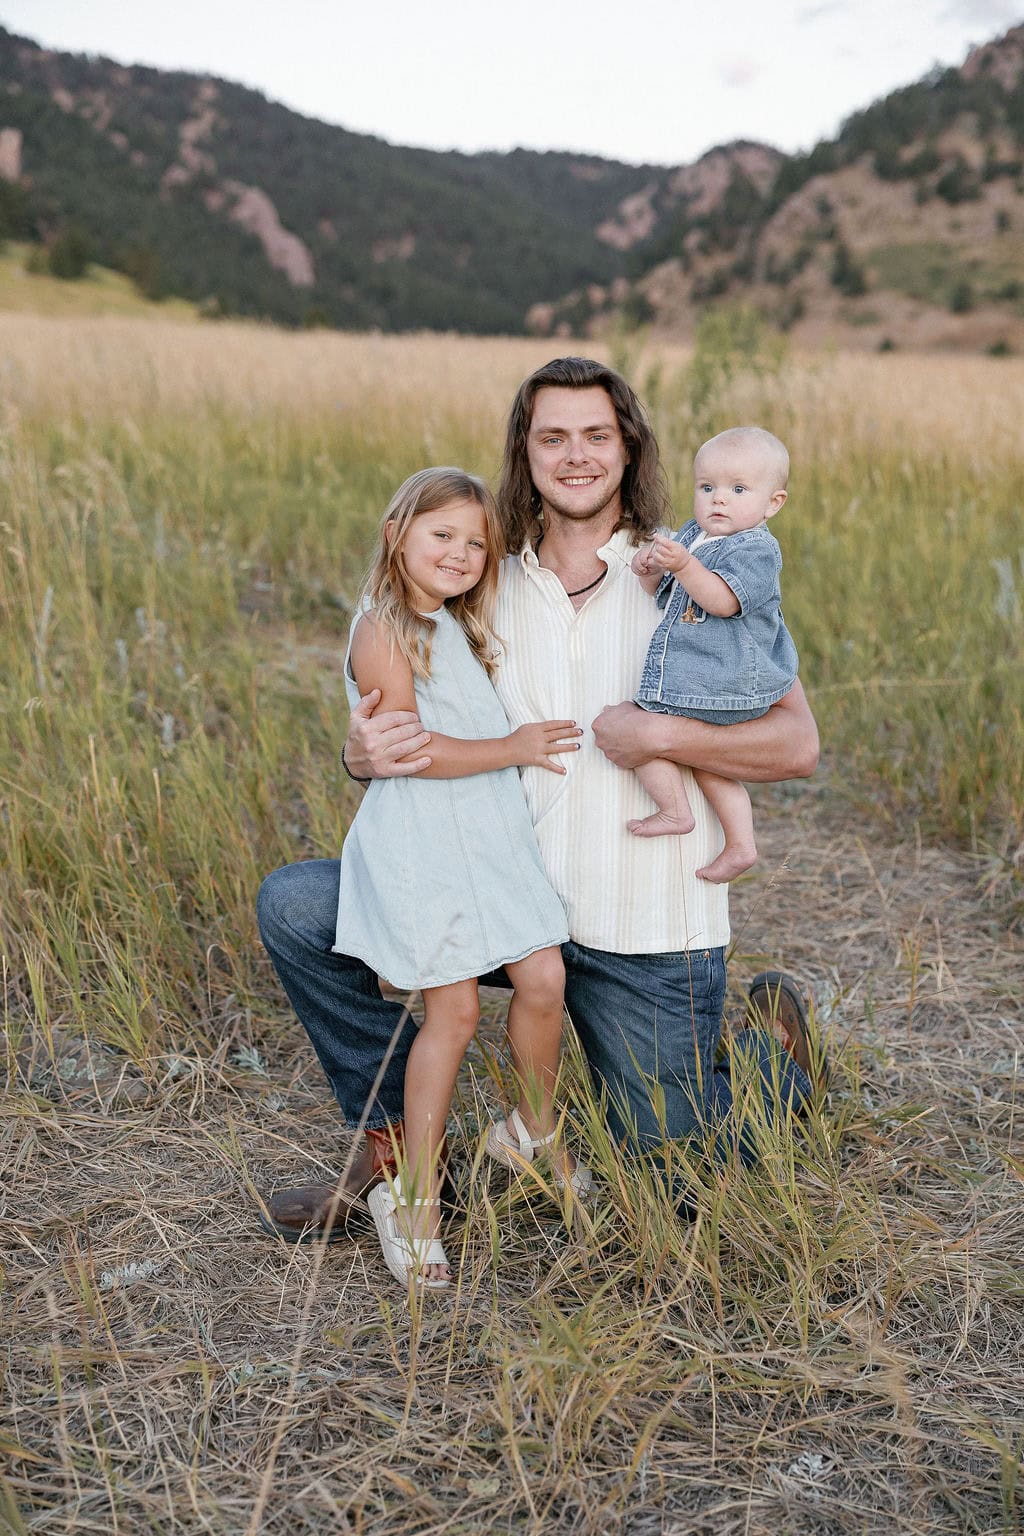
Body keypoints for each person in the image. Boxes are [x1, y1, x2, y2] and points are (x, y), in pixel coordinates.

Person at [257, 356, 823, 1244]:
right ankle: (405, 1148)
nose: (576, 455)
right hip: (502, 900)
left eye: (597, 435)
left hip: (645, 926)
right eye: (552, 436)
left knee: (678, 1181)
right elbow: (410, 707)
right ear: (525, 450)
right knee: (297, 905)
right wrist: (362, 753)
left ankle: (772, 1057)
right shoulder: (481, 577)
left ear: (629, 447)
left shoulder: (688, 575)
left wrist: (664, 735)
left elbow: (797, 744)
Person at [334, 465, 588, 1288]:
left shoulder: (457, 626)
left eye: (476, 543)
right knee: (454, 1010)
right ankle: (415, 1202)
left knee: (544, 977)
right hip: (425, 843)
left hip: (490, 837)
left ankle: (530, 1134)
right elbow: (410, 752)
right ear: (396, 535)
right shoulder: (383, 626)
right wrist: (514, 747)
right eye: (441, 534)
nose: (461, 552)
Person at [626, 426, 798, 884]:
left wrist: (683, 565)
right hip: (704, 683)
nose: (718, 499)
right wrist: (649, 571)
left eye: (738, 489)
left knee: (634, 729)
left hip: (727, 681)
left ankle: (674, 809)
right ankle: (740, 844)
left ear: (772, 503)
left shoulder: (757, 549)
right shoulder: (694, 535)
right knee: (710, 763)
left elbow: (721, 601)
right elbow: (667, 598)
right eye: (707, 488)